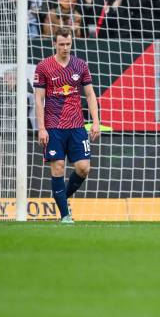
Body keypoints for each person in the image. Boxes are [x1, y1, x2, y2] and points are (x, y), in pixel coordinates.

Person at [33, 27, 100, 224]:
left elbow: (90, 94)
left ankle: (62, 198)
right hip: (53, 126)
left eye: (68, 44)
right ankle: (65, 215)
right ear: (54, 44)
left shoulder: (80, 65)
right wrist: (41, 127)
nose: (65, 48)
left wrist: (95, 121)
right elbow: (39, 99)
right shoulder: (44, 66)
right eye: (61, 44)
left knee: (83, 168)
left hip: (77, 125)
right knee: (58, 168)